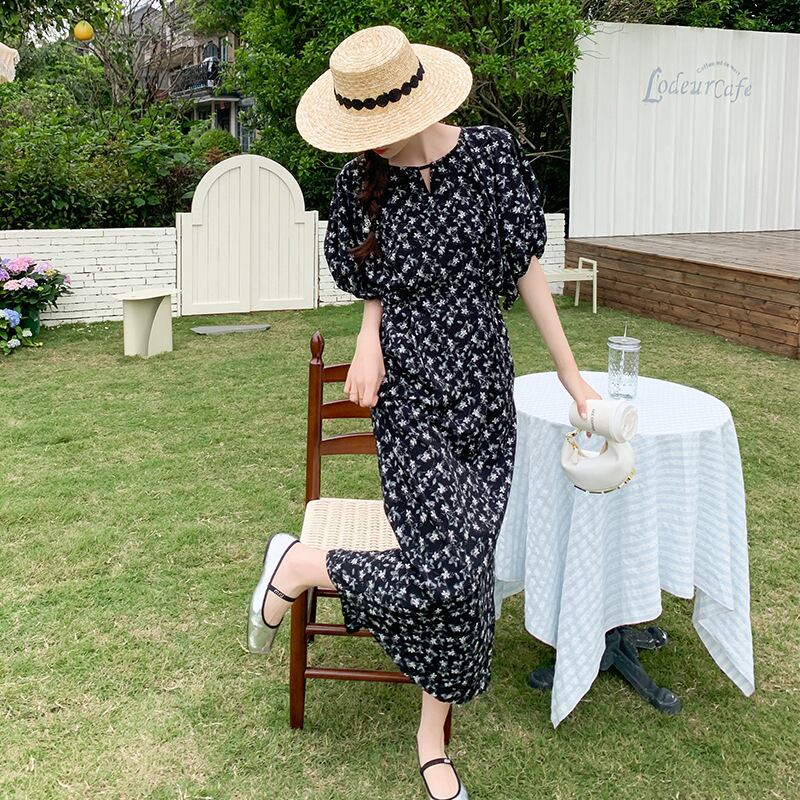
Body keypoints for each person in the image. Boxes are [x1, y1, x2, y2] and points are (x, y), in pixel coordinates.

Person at [247, 24, 602, 800]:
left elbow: (526, 271)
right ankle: (303, 565)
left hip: (483, 390)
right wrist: (367, 338)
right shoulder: (359, 183)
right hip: (409, 392)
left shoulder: (491, 157)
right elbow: (375, 280)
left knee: (467, 575)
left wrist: (572, 375)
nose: (371, 142)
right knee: (446, 572)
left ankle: (427, 732)